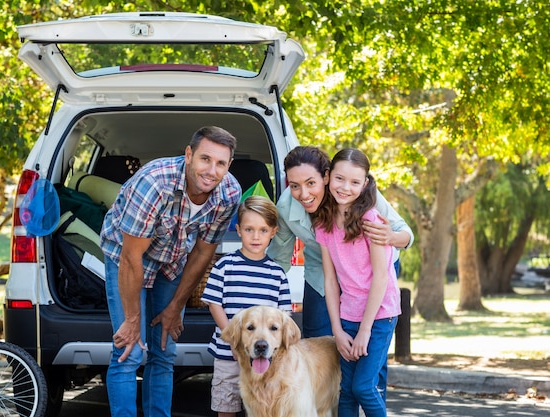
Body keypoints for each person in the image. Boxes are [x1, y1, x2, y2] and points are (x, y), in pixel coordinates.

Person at [100, 126, 242, 417]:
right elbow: (131, 257)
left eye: (221, 163)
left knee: (164, 351)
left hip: (173, 260)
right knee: (129, 351)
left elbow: (204, 251)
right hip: (125, 256)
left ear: (228, 166)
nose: (211, 170)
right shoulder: (154, 183)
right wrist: (132, 319)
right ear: (189, 155)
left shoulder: (229, 192)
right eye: (205, 159)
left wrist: (175, 307)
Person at [267, 146, 412, 338]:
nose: (303, 194)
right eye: (294, 185)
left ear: (326, 177)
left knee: (370, 341)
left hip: (370, 272)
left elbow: (406, 234)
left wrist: (391, 237)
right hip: (321, 271)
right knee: (317, 338)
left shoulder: (356, 192)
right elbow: (279, 260)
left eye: (311, 183)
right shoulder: (285, 207)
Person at [314, 148, 400, 417]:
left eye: (354, 182)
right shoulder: (324, 223)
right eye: (339, 179)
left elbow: (381, 277)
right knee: (347, 390)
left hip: (379, 314)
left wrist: (364, 331)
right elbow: (330, 281)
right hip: (347, 313)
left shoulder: (370, 220)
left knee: (363, 387)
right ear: (328, 178)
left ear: (365, 184)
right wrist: (337, 331)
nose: (345, 187)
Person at [201, 196, 292, 417]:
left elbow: (284, 316)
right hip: (228, 353)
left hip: (265, 358)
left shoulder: (277, 273)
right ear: (239, 230)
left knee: (263, 408)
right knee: (226, 406)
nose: (255, 236)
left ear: (273, 232)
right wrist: (234, 340)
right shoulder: (224, 265)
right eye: (249, 229)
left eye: (263, 230)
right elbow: (214, 304)